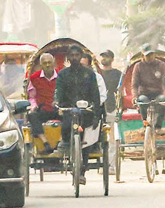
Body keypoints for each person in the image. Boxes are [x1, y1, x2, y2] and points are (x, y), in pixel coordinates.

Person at [55, 45, 102, 184]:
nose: (74, 58)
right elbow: (58, 90)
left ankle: (82, 171)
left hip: (85, 111)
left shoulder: (89, 74)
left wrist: (96, 114)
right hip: (68, 109)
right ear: (68, 58)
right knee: (66, 127)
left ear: (81, 56)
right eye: (72, 55)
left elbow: (95, 94)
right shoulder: (63, 74)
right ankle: (66, 146)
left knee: (85, 141)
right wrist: (56, 102)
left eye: (77, 55)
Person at [26, 53, 59, 154]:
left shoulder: (61, 76)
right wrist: (34, 106)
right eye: (45, 63)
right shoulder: (34, 78)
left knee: (71, 116)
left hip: (58, 109)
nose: (48, 65)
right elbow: (31, 97)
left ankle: (60, 143)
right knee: (32, 116)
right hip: (43, 109)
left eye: (50, 62)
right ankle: (45, 143)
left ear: (54, 63)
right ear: (41, 65)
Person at [132, 45, 165, 128]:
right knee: (142, 101)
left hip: (157, 93)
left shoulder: (161, 65)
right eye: (147, 55)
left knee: (163, 100)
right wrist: (134, 97)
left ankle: (158, 126)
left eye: (151, 54)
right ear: (143, 56)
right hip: (144, 93)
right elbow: (134, 85)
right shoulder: (138, 66)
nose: (150, 57)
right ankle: (145, 124)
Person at [100, 50, 124, 118]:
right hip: (100, 107)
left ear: (112, 59)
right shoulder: (97, 73)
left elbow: (121, 91)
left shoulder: (118, 74)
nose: (104, 58)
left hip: (113, 108)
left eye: (106, 56)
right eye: (102, 56)